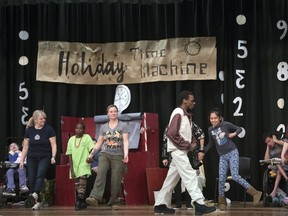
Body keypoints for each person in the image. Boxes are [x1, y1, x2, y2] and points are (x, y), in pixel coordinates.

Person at [154, 90, 216, 215]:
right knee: (190, 175)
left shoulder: (185, 115)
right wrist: (187, 145)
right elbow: (171, 133)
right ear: (185, 101)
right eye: (192, 100)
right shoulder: (178, 113)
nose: (194, 102)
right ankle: (199, 203)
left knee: (170, 180)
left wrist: (191, 143)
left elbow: (185, 133)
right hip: (178, 151)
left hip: (179, 150)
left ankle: (159, 204)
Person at [204, 108, 262, 211]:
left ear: (219, 118)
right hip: (222, 156)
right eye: (211, 118)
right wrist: (203, 152)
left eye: (215, 118)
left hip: (232, 152)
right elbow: (210, 144)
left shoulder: (225, 124)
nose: (213, 120)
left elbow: (239, 128)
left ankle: (255, 193)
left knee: (235, 176)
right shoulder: (210, 130)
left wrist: (233, 134)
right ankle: (222, 202)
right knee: (221, 178)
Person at [86, 104, 129, 210]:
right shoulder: (104, 127)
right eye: (111, 111)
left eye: (115, 111)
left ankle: (114, 201)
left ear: (117, 113)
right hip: (105, 154)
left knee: (116, 178)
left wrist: (126, 154)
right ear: (107, 114)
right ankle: (95, 197)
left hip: (118, 155)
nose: (113, 113)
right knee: (101, 173)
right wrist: (91, 154)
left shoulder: (123, 125)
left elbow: (126, 141)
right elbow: (99, 143)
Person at [161, 122, 206, 210]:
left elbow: (201, 134)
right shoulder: (171, 125)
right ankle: (177, 203)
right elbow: (165, 139)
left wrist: (201, 150)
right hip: (175, 154)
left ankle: (191, 203)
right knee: (174, 179)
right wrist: (164, 156)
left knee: (190, 177)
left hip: (190, 154)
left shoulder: (190, 124)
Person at [19, 110, 57, 210]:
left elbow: (54, 144)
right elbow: (25, 147)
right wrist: (22, 160)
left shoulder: (49, 129)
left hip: (45, 156)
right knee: (31, 179)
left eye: (44, 118)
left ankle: (35, 194)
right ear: (35, 120)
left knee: (40, 174)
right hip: (32, 157)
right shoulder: (29, 131)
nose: (43, 120)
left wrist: (53, 156)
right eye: (41, 119)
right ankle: (37, 201)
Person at [65, 122, 95, 211]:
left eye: (80, 128)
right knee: (78, 186)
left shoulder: (87, 137)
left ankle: (78, 202)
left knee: (82, 184)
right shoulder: (71, 139)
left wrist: (90, 158)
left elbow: (92, 150)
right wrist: (72, 169)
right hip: (74, 166)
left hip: (84, 164)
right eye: (77, 128)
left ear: (84, 130)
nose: (78, 130)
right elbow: (69, 154)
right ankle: (83, 202)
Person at [263, 133, 288, 197]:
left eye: (269, 141)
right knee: (274, 165)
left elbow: (286, 144)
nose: (268, 144)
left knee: (277, 164)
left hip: (285, 164)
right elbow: (266, 160)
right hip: (277, 168)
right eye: (266, 143)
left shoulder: (281, 142)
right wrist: (267, 147)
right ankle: (276, 190)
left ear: (273, 138)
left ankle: (275, 190)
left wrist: (276, 140)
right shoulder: (270, 149)